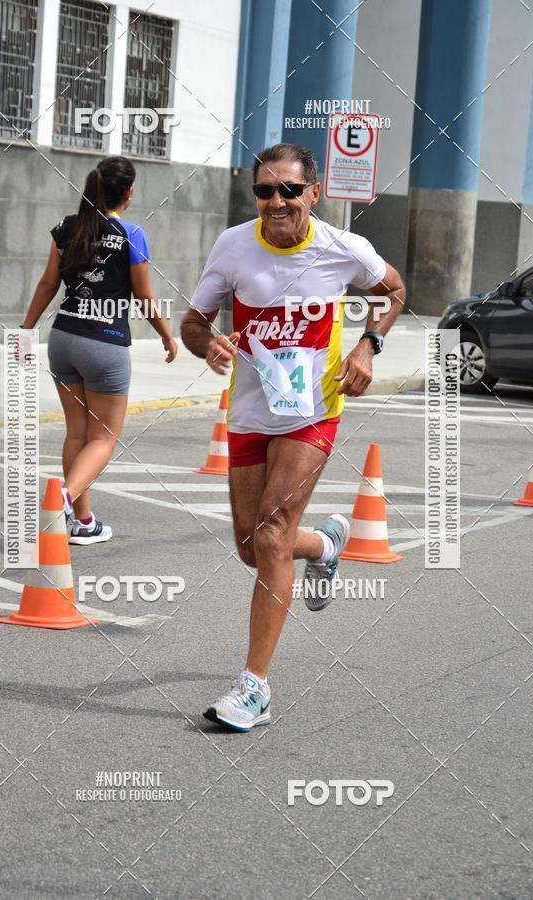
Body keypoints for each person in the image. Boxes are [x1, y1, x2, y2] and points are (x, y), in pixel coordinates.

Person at [181, 142, 405, 732]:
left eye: (287, 190)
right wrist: (209, 344)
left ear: (313, 192)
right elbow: (193, 322)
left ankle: (253, 688)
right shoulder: (233, 246)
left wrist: (367, 343)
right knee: (252, 547)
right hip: (254, 411)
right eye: (263, 190)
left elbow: (395, 291)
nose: (275, 202)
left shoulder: (342, 249)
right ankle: (327, 545)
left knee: (273, 535)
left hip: (313, 410)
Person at [21, 156, 177, 544]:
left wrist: (26, 330)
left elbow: (46, 285)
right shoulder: (131, 234)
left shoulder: (66, 228)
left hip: (63, 339)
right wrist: (166, 335)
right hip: (104, 345)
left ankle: (84, 521)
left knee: (77, 432)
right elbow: (144, 297)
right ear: (128, 192)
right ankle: (63, 499)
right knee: (103, 438)